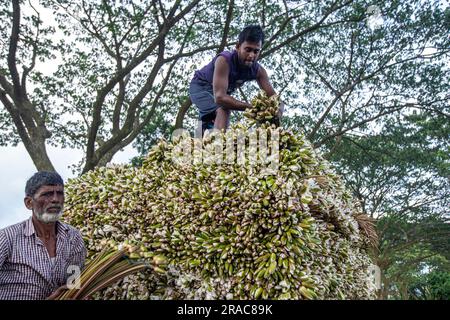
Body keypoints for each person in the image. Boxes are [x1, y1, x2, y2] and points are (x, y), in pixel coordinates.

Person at [0, 171, 86, 300]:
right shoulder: (7, 238)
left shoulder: (73, 238)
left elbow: (74, 282)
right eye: (47, 194)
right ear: (29, 203)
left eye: (60, 193)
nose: (55, 199)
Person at [189, 25, 283, 136]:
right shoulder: (224, 60)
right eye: (248, 50)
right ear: (238, 46)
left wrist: (277, 112)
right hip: (201, 86)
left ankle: (202, 141)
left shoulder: (259, 71)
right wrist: (253, 109)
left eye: (256, 51)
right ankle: (218, 149)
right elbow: (220, 97)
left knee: (206, 129)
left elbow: (275, 99)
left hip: (219, 94)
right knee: (224, 109)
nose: (251, 55)